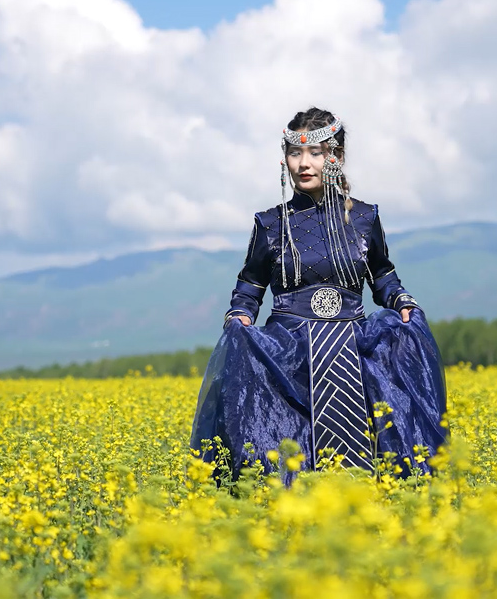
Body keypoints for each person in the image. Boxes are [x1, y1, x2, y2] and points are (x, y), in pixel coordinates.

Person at [189, 107, 448, 480]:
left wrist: (402, 301)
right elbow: (250, 287)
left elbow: (383, 276)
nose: (304, 163)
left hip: (354, 347)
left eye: (315, 153)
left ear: (335, 156)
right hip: (289, 355)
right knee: (284, 462)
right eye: (295, 153)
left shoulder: (365, 218)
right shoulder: (269, 224)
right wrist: (240, 315)